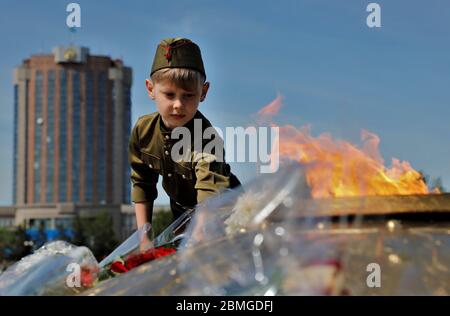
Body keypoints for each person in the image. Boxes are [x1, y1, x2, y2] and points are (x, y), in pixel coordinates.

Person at [129, 37, 240, 235]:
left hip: (227, 217)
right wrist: (143, 239)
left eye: (188, 95)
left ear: (203, 92)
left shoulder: (207, 138)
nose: (178, 104)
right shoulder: (143, 131)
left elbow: (210, 196)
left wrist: (197, 236)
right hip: (182, 215)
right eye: (169, 95)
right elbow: (142, 183)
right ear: (151, 89)